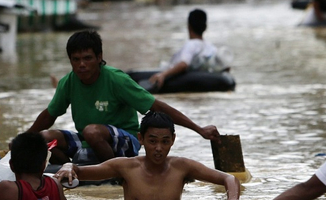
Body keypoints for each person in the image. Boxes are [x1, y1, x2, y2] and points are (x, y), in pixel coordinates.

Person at [27, 30, 220, 166]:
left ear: (99, 57)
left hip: (125, 141)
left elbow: (157, 107)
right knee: (43, 139)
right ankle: (71, 170)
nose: (82, 65)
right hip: (88, 139)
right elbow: (49, 115)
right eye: (76, 60)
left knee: (92, 131)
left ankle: (116, 172)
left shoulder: (116, 79)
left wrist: (199, 129)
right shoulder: (67, 82)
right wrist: (24, 140)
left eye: (87, 58)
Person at [54, 111, 240, 200]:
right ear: (141, 139)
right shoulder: (125, 167)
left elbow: (228, 178)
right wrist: (68, 166)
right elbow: (79, 171)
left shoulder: (182, 166)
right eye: (152, 141)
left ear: (173, 140)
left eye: (165, 141)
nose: (158, 148)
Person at [148, 9, 230, 90]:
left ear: (188, 26)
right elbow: (225, 67)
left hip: (184, 78)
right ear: (205, 27)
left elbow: (184, 64)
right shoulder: (211, 47)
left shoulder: (191, 44)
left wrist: (163, 75)